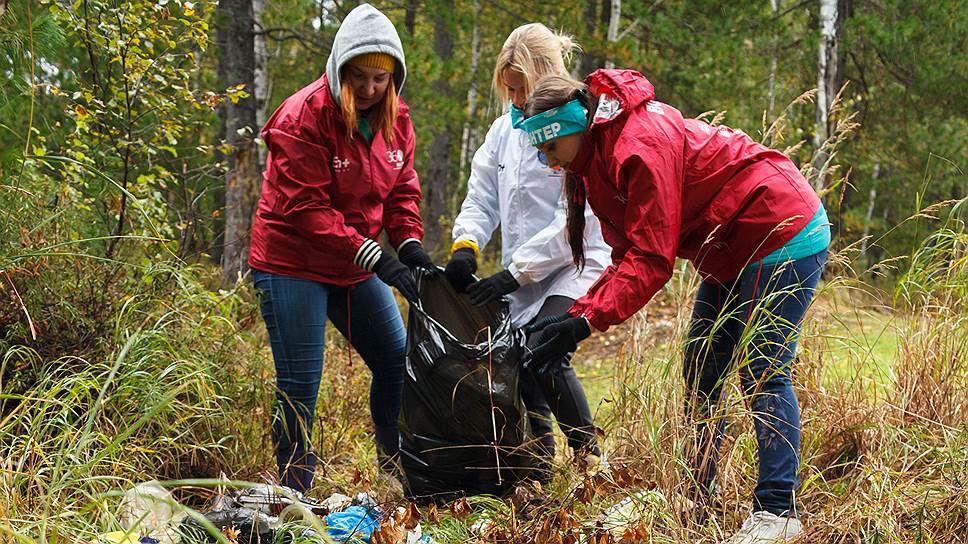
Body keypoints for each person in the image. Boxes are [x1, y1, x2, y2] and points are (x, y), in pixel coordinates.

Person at [520, 69, 830, 543]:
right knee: (702, 368)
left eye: (549, 147)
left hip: (780, 226)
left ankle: (777, 512)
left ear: (572, 126)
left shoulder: (639, 144)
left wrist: (583, 323)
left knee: (763, 367)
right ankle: (698, 499)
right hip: (728, 246)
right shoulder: (595, 160)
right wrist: (578, 314)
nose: (548, 161)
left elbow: (653, 259)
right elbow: (627, 255)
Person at [248, 4, 434, 493]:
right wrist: (379, 258)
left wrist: (409, 245)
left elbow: (401, 191)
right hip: (291, 263)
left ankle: (394, 475)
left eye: (381, 78)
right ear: (339, 69)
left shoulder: (397, 119)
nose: (371, 89)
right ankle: (294, 494)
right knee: (301, 384)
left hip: (351, 264)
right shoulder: (302, 117)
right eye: (359, 77)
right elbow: (305, 209)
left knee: (396, 361)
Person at [445, 23, 609, 478]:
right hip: (523, 271)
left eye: (522, 88)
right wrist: (466, 246)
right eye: (510, 90)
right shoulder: (503, 133)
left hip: (575, 262)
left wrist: (516, 272)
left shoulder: (576, 128)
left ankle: (590, 460)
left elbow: (574, 221)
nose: (516, 100)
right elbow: (481, 196)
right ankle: (538, 470)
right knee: (519, 361)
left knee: (545, 347)